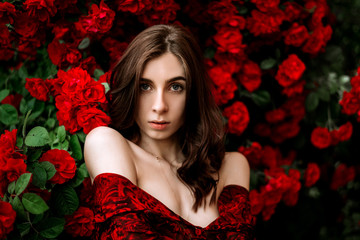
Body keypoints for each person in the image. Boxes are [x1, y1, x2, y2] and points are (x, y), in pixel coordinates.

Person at [84, 24, 255, 239]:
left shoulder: (232, 167)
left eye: (175, 87)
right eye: (145, 86)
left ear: (192, 95)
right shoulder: (106, 143)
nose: (159, 106)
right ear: (131, 89)